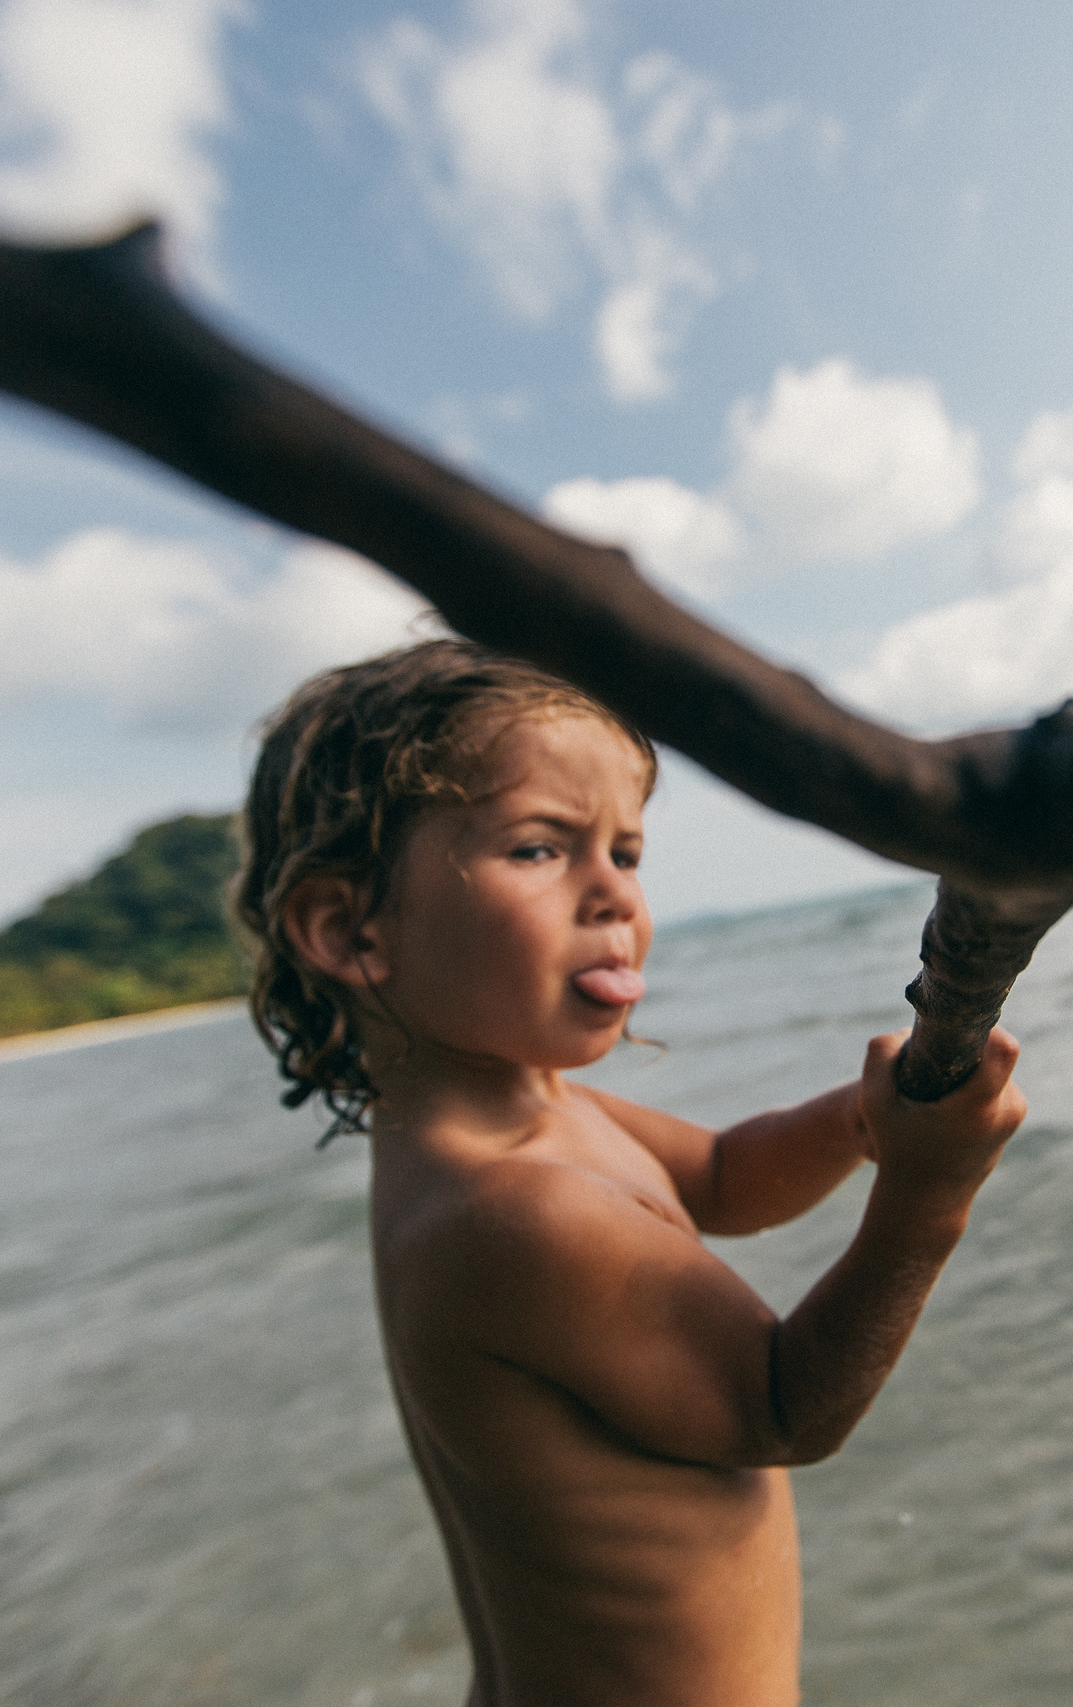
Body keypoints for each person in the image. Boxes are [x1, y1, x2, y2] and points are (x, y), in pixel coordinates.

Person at [232, 640, 1027, 1706]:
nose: (614, 894)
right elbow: (786, 1407)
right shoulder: (515, 1210)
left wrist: (864, 1118)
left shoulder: (531, 1123)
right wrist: (929, 1195)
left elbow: (728, 1178)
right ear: (350, 928)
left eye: (628, 853)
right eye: (538, 849)